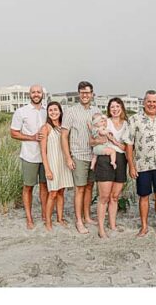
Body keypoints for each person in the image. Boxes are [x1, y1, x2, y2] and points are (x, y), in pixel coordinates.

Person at [126, 90, 156, 238]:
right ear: (144, 102)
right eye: (149, 101)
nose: (151, 104)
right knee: (143, 196)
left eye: (154, 101)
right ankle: (144, 226)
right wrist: (131, 165)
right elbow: (129, 144)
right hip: (142, 165)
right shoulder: (134, 119)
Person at [61, 81, 101, 234]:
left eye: (88, 92)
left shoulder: (96, 111)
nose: (85, 95)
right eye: (82, 92)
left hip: (94, 155)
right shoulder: (71, 111)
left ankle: (87, 216)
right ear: (79, 94)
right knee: (80, 189)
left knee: (90, 187)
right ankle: (78, 221)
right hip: (78, 155)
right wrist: (68, 157)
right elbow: (64, 136)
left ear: (92, 94)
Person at [10, 85, 48, 230]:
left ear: (42, 94)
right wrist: (31, 137)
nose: (36, 94)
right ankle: (29, 218)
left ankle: (45, 215)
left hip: (45, 157)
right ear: (29, 94)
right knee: (28, 187)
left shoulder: (47, 111)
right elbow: (13, 133)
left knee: (45, 187)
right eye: (33, 92)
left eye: (38, 92)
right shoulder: (21, 112)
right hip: (29, 156)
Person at [94, 98, 130, 238]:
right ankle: (101, 228)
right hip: (105, 158)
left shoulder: (126, 124)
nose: (115, 109)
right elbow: (95, 137)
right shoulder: (105, 121)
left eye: (117, 106)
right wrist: (111, 142)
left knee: (114, 196)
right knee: (104, 197)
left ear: (121, 108)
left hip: (120, 159)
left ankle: (113, 224)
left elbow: (124, 147)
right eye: (112, 107)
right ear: (109, 109)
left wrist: (114, 140)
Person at [38, 101, 72, 231]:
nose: (53, 112)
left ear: (60, 111)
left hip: (63, 162)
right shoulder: (45, 128)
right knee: (52, 193)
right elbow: (43, 151)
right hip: (52, 163)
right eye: (50, 110)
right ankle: (48, 222)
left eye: (55, 110)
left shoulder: (63, 126)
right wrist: (47, 169)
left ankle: (59, 218)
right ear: (47, 113)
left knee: (61, 191)